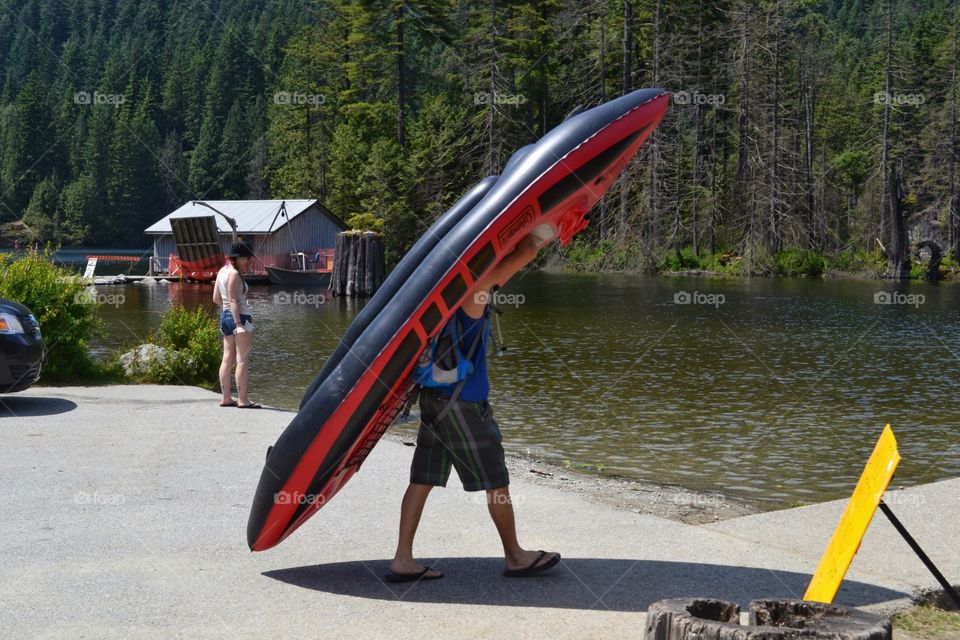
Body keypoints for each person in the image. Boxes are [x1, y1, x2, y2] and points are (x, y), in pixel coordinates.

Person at [387, 231, 559, 583]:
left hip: (435, 400)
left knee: (422, 479)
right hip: (465, 404)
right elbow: (519, 258)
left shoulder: (444, 298)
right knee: (496, 482)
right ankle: (515, 556)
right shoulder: (473, 294)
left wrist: (524, 244)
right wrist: (544, 232)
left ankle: (403, 557)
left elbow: (505, 270)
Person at [212, 241, 260, 409]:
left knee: (227, 359)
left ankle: (226, 397)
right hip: (241, 318)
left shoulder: (222, 271)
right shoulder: (234, 274)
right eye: (246, 257)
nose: (248, 260)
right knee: (242, 361)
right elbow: (233, 299)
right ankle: (243, 399)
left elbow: (216, 298)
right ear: (238, 258)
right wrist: (238, 322)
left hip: (225, 316)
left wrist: (229, 314)